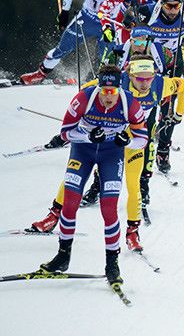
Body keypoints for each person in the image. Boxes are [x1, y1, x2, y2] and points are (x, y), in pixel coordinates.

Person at [29, 56, 184, 253]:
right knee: (74, 178)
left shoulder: (160, 84)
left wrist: (177, 115)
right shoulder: (117, 82)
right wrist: (86, 122)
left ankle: (132, 234)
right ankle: (54, 215)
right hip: (106, 139)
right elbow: (87, 90)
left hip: (134, 141)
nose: (145, 83)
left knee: (133, 185)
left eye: (149, 77)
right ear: (129, 75)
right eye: (140, 78)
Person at [38, 65, 147, 287]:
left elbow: (143, 138)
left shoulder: (129, 103)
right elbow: (65, 132)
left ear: (119, 88)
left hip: (111, 155)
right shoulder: (84, 98)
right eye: (104, 91)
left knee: (109, 209)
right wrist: (87, 136)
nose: (108, 97)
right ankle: (63, 256)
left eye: (112, 92)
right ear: (98, 88)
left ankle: (111, 264)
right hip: (83, 152)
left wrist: (127, 141)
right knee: (69, 203)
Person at [20, 0, 124, 85]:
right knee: (62, 48)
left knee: (108, 57)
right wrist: (64, 12)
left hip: (110, 23)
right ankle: (40, 74)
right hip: (87, 19)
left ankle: (105, 81)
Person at [137, 0, 184, 172]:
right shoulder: (149, 13)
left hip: (174, 63)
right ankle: (143, 141)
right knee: (147, 106)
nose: (173, 10)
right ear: (161, 3)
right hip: (150, 63)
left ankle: (163, 151)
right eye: (169, 6)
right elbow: (134, 30)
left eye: (176, 6)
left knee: (167, 112)